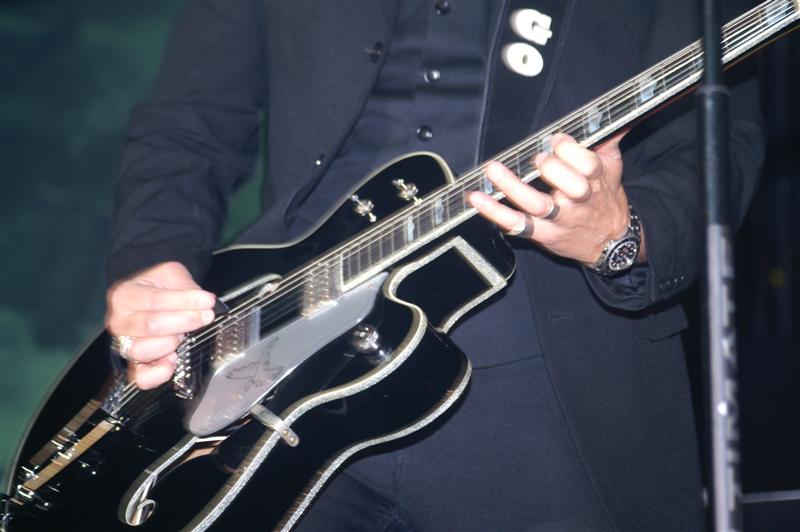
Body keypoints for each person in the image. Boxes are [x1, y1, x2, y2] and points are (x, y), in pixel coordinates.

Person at [105, 1, 765, 530]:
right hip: (278, 368)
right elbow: (189, 121)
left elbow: (720, 143)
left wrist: (618, 234)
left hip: (552, 389)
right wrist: (151, 264)